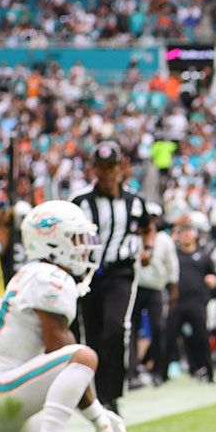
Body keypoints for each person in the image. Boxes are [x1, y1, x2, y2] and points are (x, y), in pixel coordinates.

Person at [0, 200, 126, 432]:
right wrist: (97, 416)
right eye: (76, 238)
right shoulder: (51, 277)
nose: (84, 246)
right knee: (83, 356)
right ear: (53, 242)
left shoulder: (31, 272)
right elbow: (61, 349)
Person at [68, 141, 153, 415]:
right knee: (91, 335)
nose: (106, 173)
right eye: (101, 167)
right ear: (94, 168)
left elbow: (148, 228)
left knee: (115, 328)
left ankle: (112, 396)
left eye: (111, 167)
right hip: (88, 274)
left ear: (121, 167)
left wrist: (148, 248)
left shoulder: (135, 202)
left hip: (120, 272)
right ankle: (96, 396)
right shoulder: (79, 201)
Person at [157, 219, 216, 383]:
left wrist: (212, 280)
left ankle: (209, 373)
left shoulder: (204, 256)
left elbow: (213, 276)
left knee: (202, 338)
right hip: (176, 302)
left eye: (189, 233)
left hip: (197, 302)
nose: (186, 236)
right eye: (183, 233)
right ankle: (161, 374)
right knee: (169, 337)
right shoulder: (174, 255)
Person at [128, 203, 178, 389]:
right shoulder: (132, 238)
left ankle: (159, 370)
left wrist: (173, 289)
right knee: (131, 330)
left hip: (156, 289)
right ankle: (131, 372)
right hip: (135, 288)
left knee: (159, 328)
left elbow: (172, 266)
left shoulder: (165, 240)